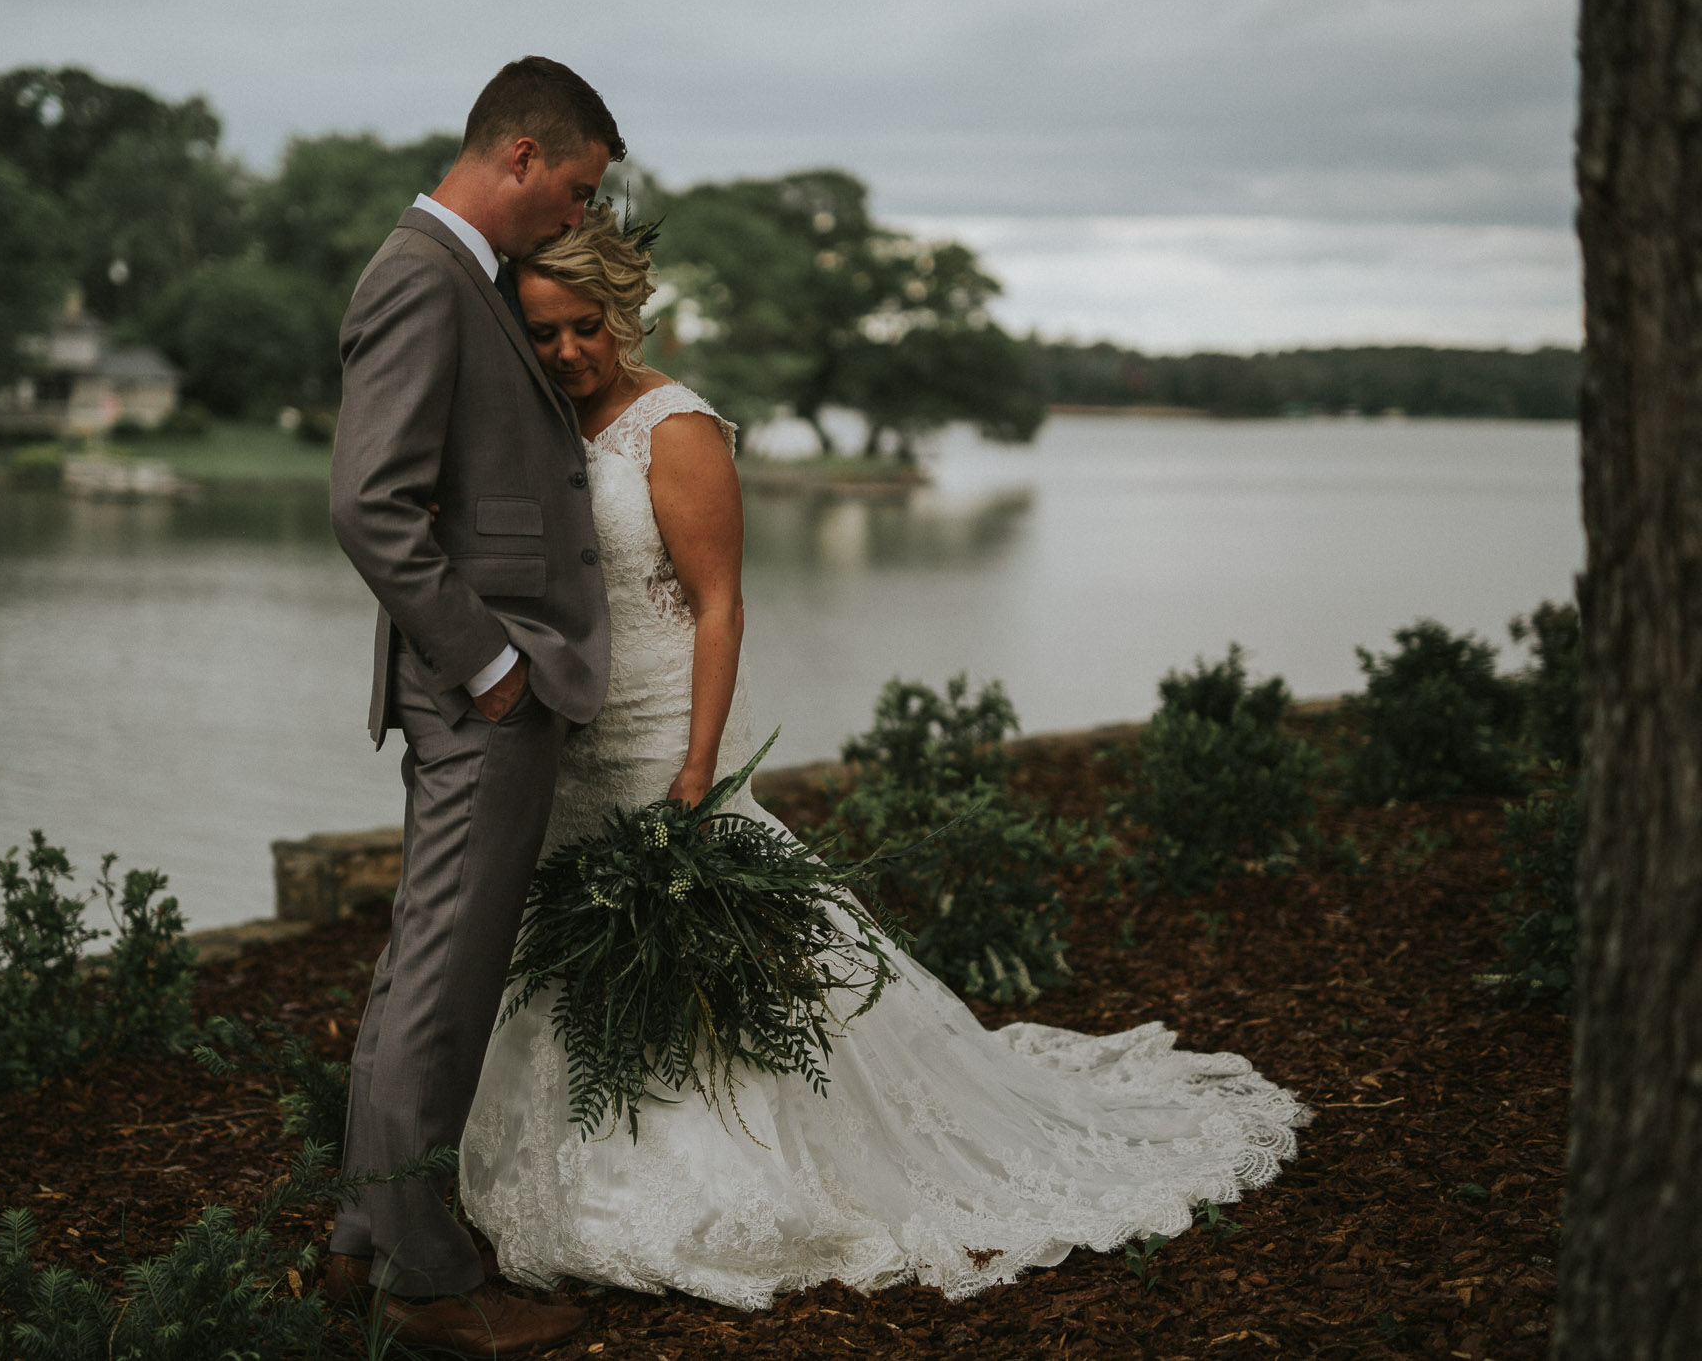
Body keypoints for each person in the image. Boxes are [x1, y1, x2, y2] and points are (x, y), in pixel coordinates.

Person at [457, 203, 1312, 1312]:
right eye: (543, 332)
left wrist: (698, 767)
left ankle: (711, 1175)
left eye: (588, 326)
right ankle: (556, 1157)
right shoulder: (536, 422)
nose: (569, 350)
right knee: (567, 936)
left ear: (626, 314)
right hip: (570, 739)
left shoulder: (675, 429)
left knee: (696, 943)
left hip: (665, 726)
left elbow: (719, 608)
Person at [324, 56, 621, 1358]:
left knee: (421, 974)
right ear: (520, 154)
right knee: (441, 986)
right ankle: (428, 1286)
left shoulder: (468, 275)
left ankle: (361, 1240)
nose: (576, 216)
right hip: (479, 691)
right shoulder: (421, 275)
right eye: (576, 189)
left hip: (483, 685)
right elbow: (369, 505)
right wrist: (492, 666)